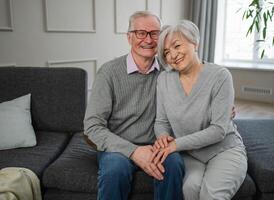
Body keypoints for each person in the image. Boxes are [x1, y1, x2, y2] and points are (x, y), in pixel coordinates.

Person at [83, 11, 184, 200]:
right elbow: (91, 127)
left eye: (154, 33)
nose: (148, 39)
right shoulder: (109, 73)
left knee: (175, 164)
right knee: (114, 171)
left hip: (158, 145)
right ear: (129, 37)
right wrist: (134, 151)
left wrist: (217, 103)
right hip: (117, 147)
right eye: (140, 33)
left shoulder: (169, 71)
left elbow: (198, 68)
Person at [153, 20, 248, 200]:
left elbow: (219, 130)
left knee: (211, 195)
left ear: (194, 43)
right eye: (166, 52)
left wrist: (175, 145)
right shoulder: (164, 79)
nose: (172, 55)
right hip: (190, 155)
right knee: (189, 190)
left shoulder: (220, 76)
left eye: (177, 46)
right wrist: (163, 137)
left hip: (224, 150)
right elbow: (161, 122)